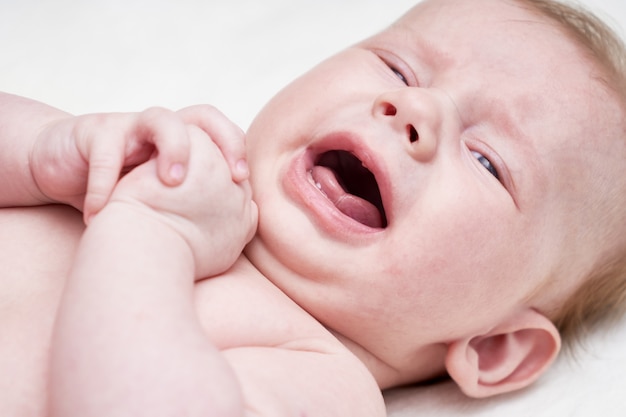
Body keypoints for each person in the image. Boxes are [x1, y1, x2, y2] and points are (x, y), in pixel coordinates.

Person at [1, 0, 625, 415]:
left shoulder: (321, 377)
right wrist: (39, 150)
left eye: (489, 160)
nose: (416, 109)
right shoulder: (148, 161)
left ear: (495, 348)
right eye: (398, 69)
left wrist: (152, 231)